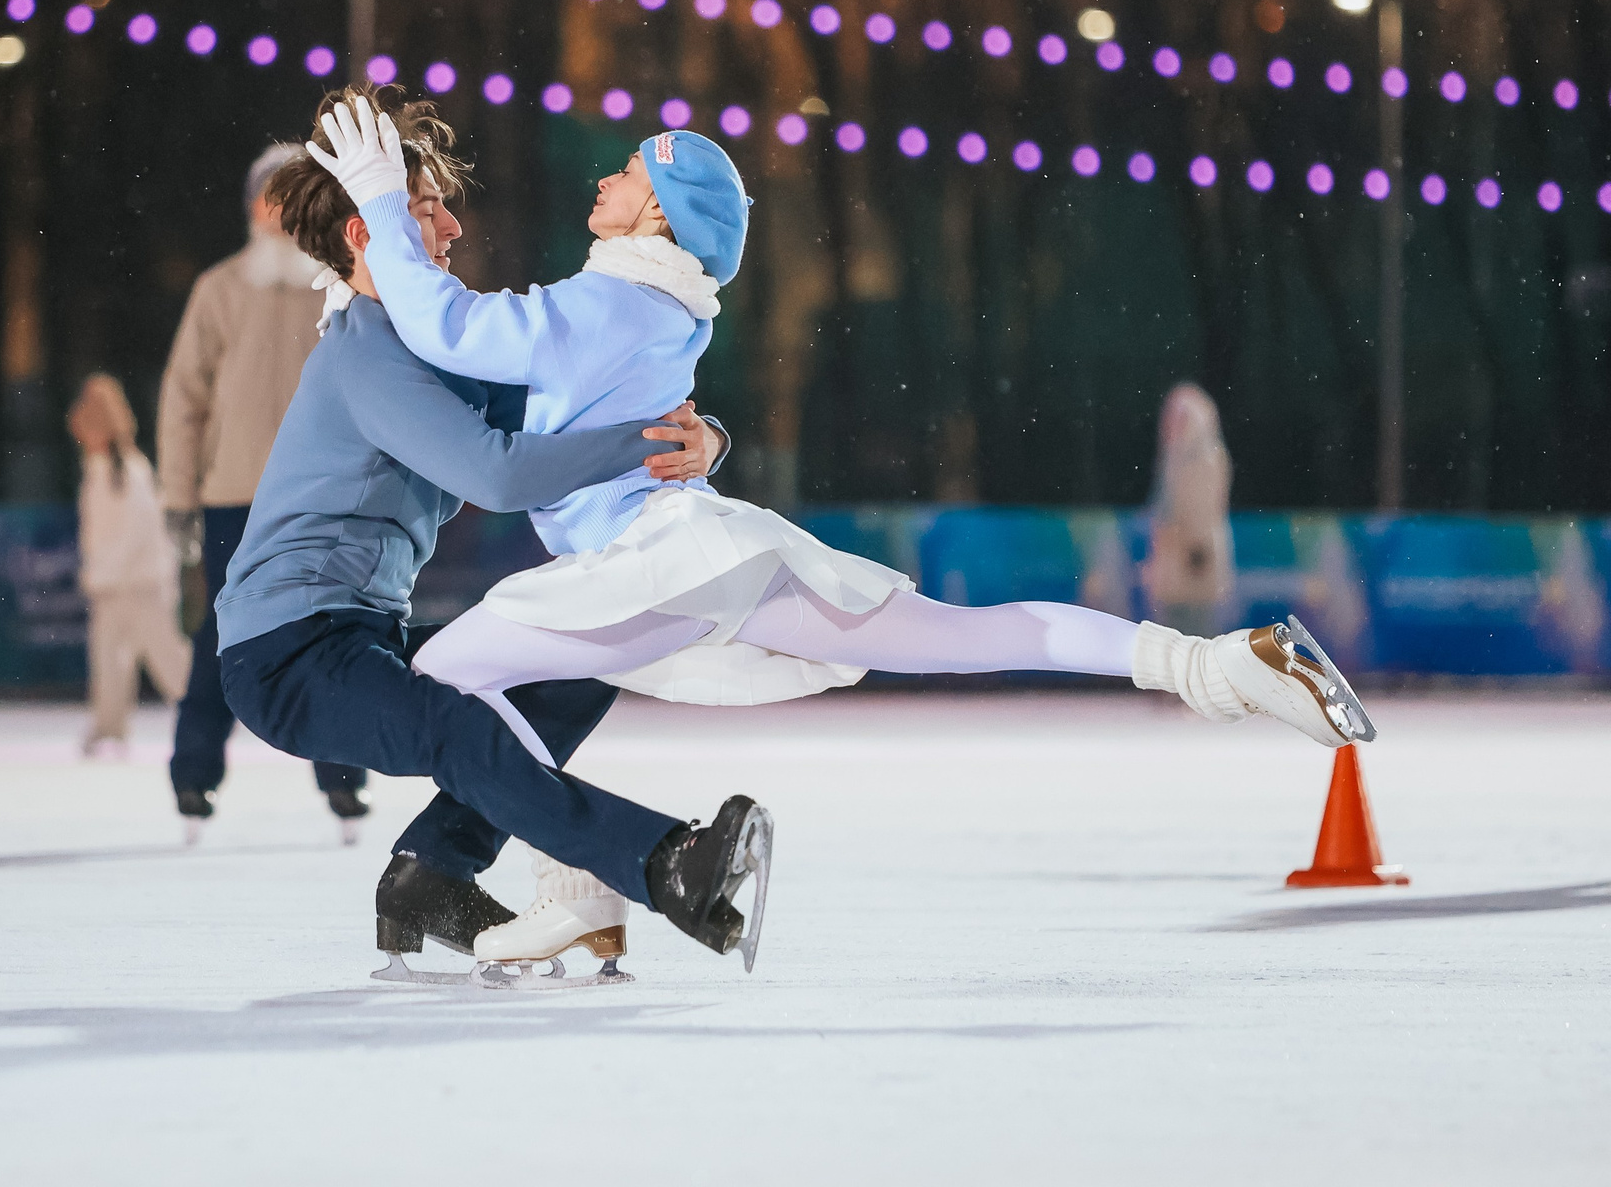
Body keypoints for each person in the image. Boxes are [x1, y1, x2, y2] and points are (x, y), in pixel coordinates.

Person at [305, 95, 1379, 969]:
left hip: (647, 568)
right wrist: (711, 436)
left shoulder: (601, 306)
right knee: (964, 632)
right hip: (713, 552)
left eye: (628, 170)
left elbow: (454, 326)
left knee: (439, 686)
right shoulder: (644, 305)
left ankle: (578, 880)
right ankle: (1218, 664)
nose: (603, 179)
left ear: (661, 216)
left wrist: (377, 211)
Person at [219, 83, 772, 983]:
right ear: (371, 236)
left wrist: (704, 437)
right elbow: (502, 474)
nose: (451, 231)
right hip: (287, 654)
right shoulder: (369, 348)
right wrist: (643, 439)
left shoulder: (436, 351)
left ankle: (431, 871)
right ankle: (667, 864)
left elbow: (589, 400)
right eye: (428, 210)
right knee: (462, 728)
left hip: (359, 634)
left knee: (573, 660)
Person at [157, 142, 372, 838]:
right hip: (234, 495)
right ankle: (194, 776)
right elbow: (183, 400)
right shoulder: (219, 290)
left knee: (331, 630)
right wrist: (178, 497)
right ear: (254, 207)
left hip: (322, 497)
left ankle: (342, 780)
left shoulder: (341, 288)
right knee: (224, 634)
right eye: (272, 197)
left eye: (295, 197)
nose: (280, 212)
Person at [70, 373, 192, 761]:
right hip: (112, 585)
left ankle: (204, 709)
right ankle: (110, 726)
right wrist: (98, 572)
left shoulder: (132, 471)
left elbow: (141, 532)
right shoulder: (97, 469)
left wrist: (104, 571)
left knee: (167, 658)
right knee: (108, 660)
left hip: (143, 583)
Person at [1144, 382, 1236, 636]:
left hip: (1194, 570)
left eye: (1182, 418)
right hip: (1174, 572)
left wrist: (1195, 555)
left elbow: (1204, 513)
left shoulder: (1206, 459)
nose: (1173, 424)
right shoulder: (1174, 458)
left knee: (1195, 644)